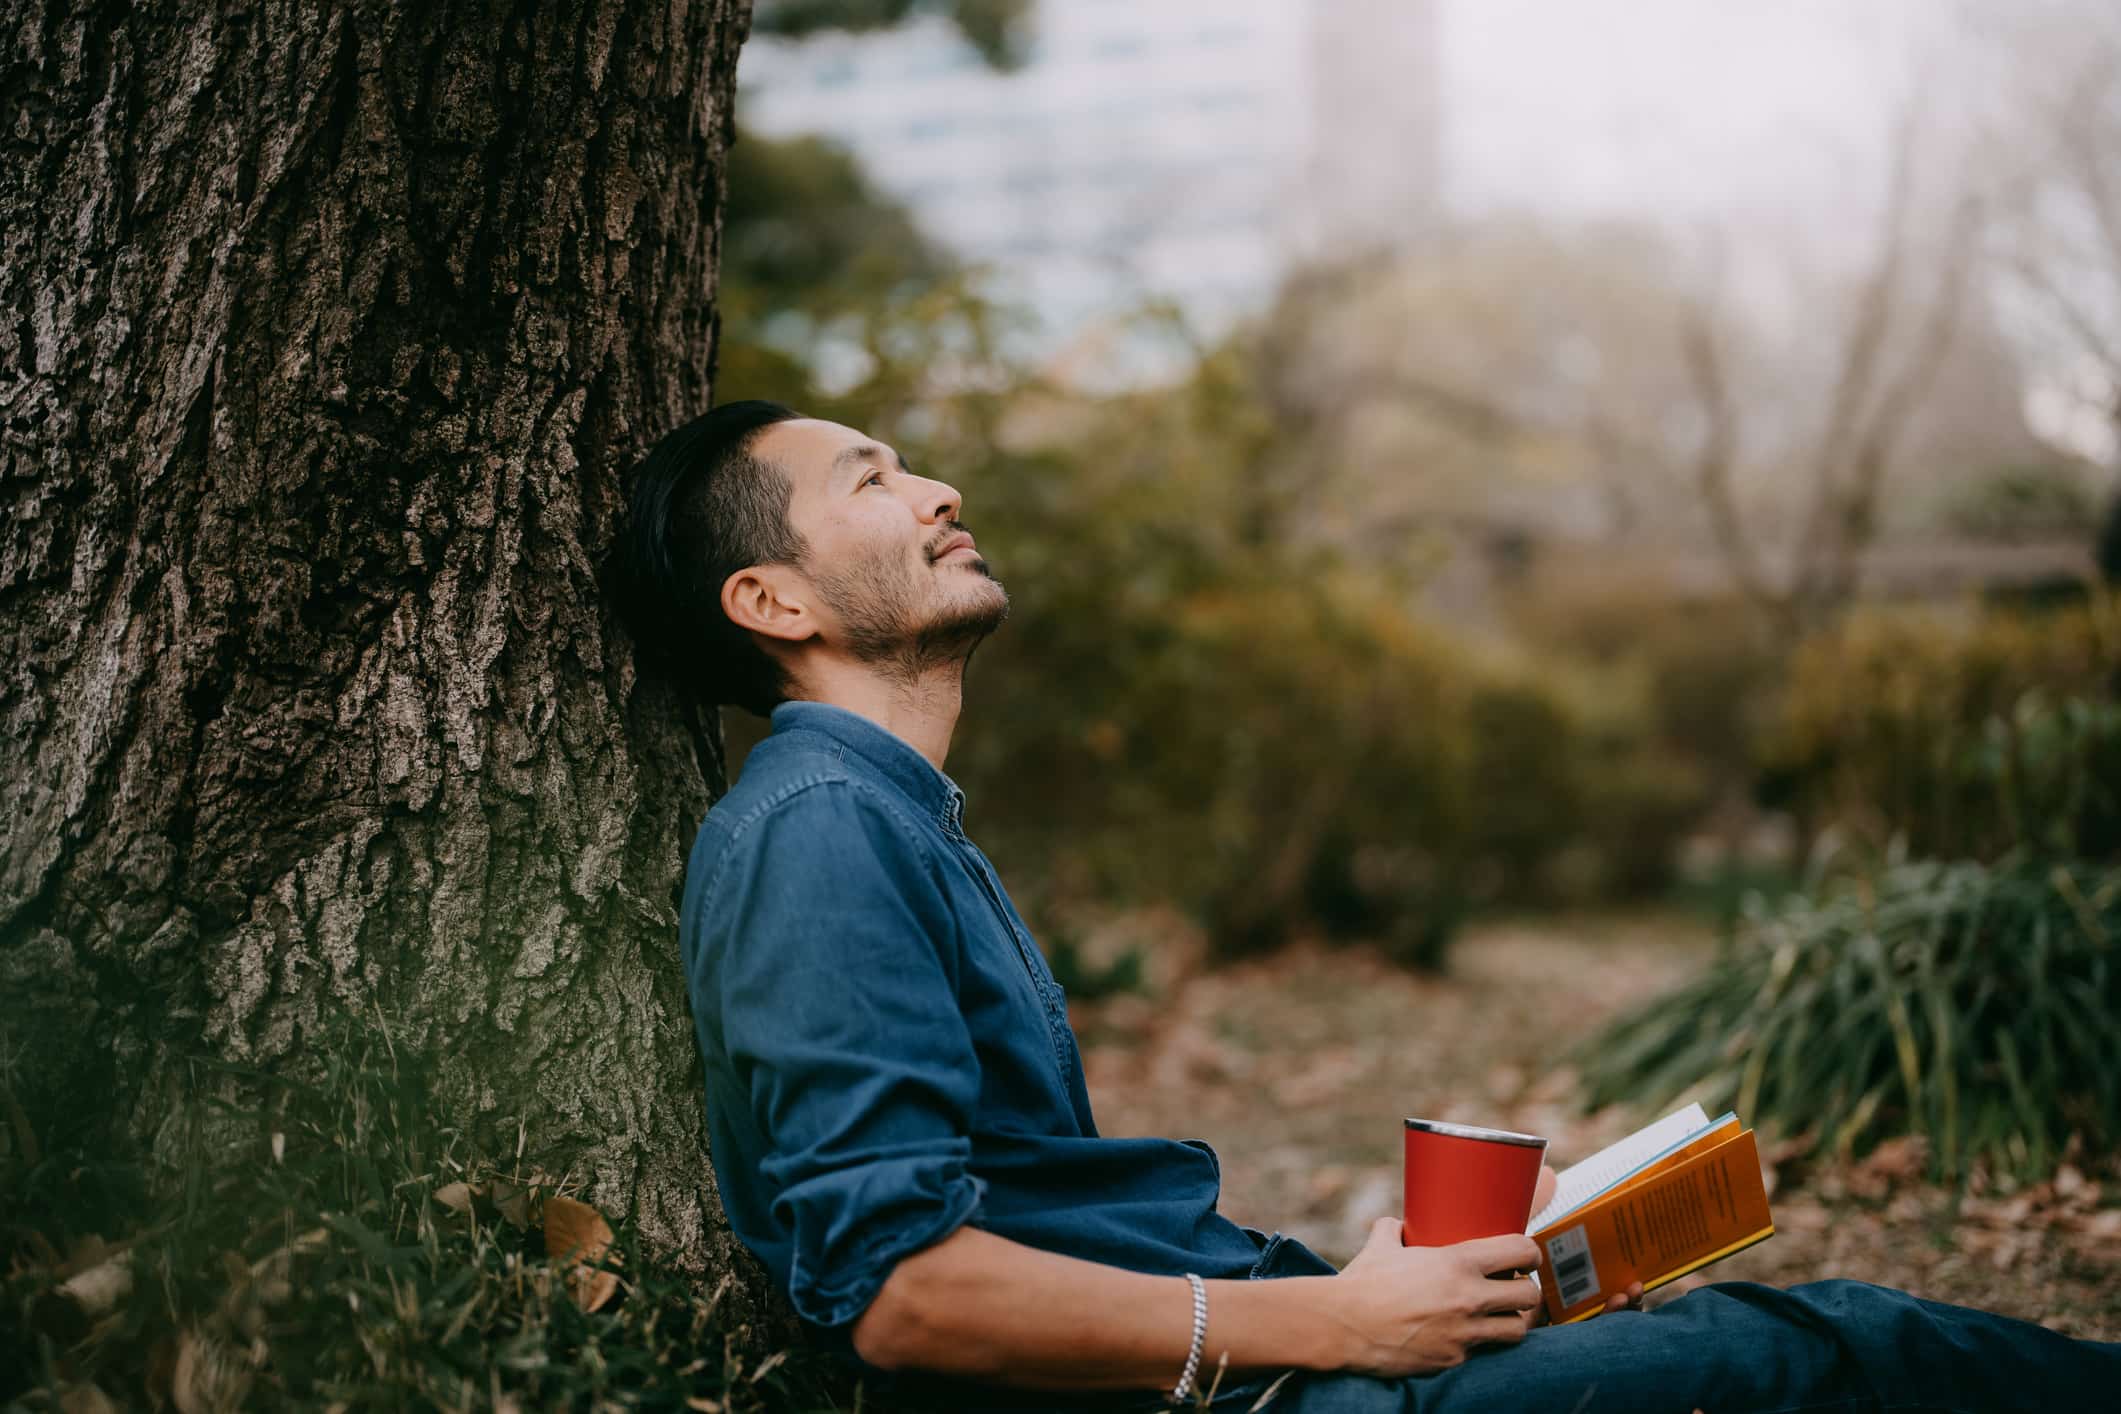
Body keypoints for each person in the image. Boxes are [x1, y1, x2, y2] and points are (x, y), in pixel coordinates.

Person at [612, 400, 2120, 1413]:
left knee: (1772, 1336)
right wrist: (1339, 1326)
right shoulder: (818, 833)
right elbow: (904, 1295)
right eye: (869, 479)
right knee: (1834, 1352)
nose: (938, 486)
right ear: (773, 603)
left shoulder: (886, 818)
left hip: (1278, 1353)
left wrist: (1375, 1284)